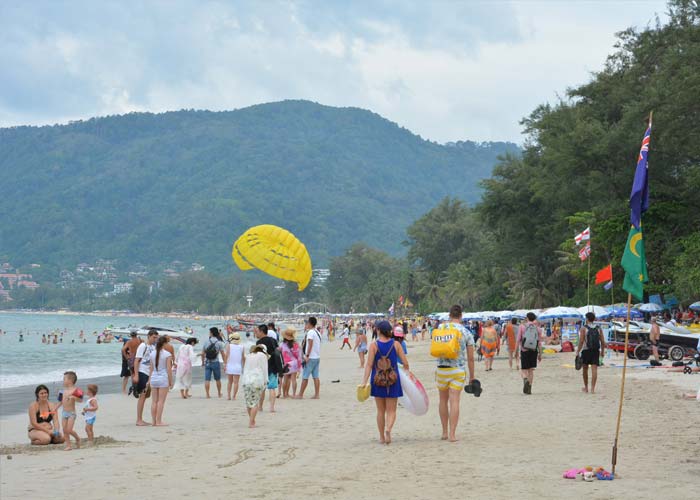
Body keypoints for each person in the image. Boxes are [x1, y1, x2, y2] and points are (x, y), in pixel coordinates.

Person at [361, 320, 409, 445]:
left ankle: (382, 437)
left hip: (377, 380)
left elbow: (369, 365)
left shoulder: (373, 346)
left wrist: (364, 382)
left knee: (380, 411)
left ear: (378, 330)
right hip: (393, 380)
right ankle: (388, 429)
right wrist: (407, 374)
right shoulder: (396, 345)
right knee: (392, 410)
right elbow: (405, 363)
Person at [432, 305, 475, 442]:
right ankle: (452, 434)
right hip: (458, 369)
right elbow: (471, 358)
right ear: (461, 315)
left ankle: (444, 432)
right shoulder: (466, 332)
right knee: (455, 401)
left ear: (449, 315)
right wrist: (472, 376)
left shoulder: (441, 328)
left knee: (443, 400)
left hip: (442, 369)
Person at [576, 312, 606, 394]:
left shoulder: (583, 328)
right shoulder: (598, 328)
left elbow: (581, 341)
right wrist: (602, 352)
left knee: (585, 369)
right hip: (596, 350)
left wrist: (578, 351)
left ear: (587, 319)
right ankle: (592, 389)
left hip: (586, 350)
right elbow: (603, 341)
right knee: (594, 369)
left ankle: (586, 388)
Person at [133, 329, 158, 425]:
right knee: (142, 396)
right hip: (142, 371)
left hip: (150, 373)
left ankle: (140, 419)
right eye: (153, 337)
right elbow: (136, 360)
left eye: (156, 337)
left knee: (146, 395)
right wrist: (136, 375)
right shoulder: (143, 346)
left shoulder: (154, 347)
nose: (155, 339)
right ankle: (139, 420)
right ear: (149, 336)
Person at [515, 312, 544, 395]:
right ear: (534, 319)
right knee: (531, 370)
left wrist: (516, 351)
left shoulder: (522, 326)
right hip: (534, 350)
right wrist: (540, 354)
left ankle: (525, 379)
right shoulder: (538, 329)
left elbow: (518, 340)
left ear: (527, 318)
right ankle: (529, 388)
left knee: (524, 370)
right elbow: (539, 343)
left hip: (524, 350)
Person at [242, 344, 269, 428]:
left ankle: (252, 420)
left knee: (249, 402)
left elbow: (245, 368)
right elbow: (264, 369)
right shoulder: (263, 356)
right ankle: (251, 422)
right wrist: (266, 381)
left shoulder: (249, 356)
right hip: (257, 380)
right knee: (255, 402)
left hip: (246, 380)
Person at [149, 335, 174, 426]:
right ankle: (159, 421)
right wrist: (170, 381)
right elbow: (168, 369)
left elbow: (151, 369)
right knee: (161, 401)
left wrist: (149, 380)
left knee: (154, 401)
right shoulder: (167, 354)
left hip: (154, 378)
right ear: (164, 343)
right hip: (163, 378)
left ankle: (153, 421)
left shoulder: (152, 353)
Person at [255, 324, 279, 411]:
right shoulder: (273, 340)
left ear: (261, 331)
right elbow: (278, 351)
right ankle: (272, 408)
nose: (256, 334)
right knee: (272, 388)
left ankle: (260, 407)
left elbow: (257, 356)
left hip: (262, 367)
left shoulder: (259, 343)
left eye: (257, 332)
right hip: (273, 366)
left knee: (262, 388)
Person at [298, 316, 322, 399]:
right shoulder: (317, 332)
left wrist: (307, 355)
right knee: (316, 376)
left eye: (307, 323)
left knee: (305, 376)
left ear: (310, 324)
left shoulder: (310, 332)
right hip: (317, 357)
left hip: (311, 357)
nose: (306, 324)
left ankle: (300, 394)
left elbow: (310, 343)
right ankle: (317, 394)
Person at [58, 370, 83, 451]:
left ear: (70, 381)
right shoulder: (62, 391)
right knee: (64, 430)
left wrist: (74, 397)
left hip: (71, 413)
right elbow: (60, 402)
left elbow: (81, 400)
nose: (63, 381)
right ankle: (68, 445)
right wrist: (54, 409)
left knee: (69, 430)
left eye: (64, 379)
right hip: (64, 413)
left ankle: (77, 438)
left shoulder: (77, 390)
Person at [201, 327, 227, 398]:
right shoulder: (219, 343)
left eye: (209, 332)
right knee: (218, 379)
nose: (209, 333)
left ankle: (207, 394)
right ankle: (219, 393)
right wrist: (225, 363)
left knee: (207, 379)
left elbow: (203, 353)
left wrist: (202, 362)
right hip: (215, 362)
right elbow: (223, 354)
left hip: (207, 362)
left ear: (212, 333)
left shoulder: (206, 342)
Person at [280, 328, 302, 398]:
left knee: (285, 380)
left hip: (287, 364)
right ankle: (294, 394)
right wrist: (299, 365)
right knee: (293, 380)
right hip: (294, 363)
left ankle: (284, 394)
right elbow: (299, 355)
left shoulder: (282, 344)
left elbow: (280, 353)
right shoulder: (295, 344)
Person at [226, 333, 246, 400]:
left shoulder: (229, 346)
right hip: (238, 366)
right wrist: (244, 366)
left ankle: (228, 395)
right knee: (236, 382)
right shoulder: (242, 347)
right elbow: (243, 358)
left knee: (229, 381)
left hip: (230, 365)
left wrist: (225, 364)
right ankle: (234, 396)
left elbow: (227, 356)